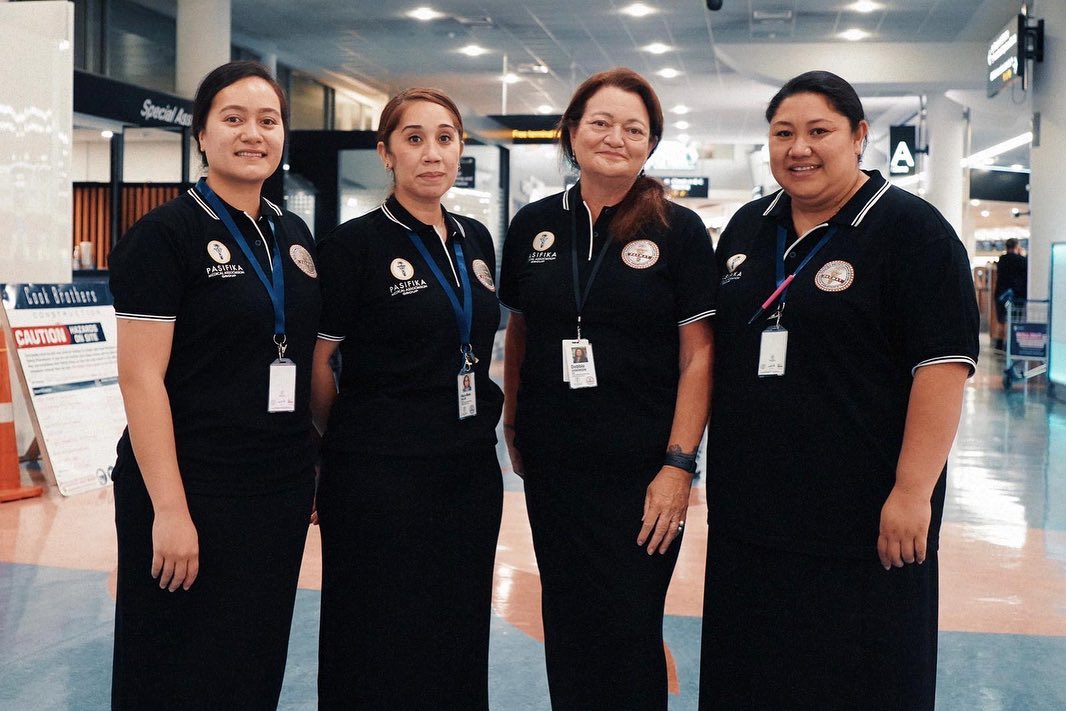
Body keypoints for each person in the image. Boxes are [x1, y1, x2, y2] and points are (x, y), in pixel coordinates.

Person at [699, 70, 979, 710]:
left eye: (818, 131)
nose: (799, 148)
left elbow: (940, 368)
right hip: (753, 517)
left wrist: (912, 492)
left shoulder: (912, 233)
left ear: (859, 136)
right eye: (783, 133)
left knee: (859, 683)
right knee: (753, 679)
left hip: (863, 521)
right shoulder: (748, 228)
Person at [499, 68, 716, 710]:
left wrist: (679, 465)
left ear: (650, 144)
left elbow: (699, 358)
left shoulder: (678, 231)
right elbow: (521, 329)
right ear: (571, 132)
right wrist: (513, 423)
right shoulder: (534, 225)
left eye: (633, 128)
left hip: (643, 473)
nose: (615, 138)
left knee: (628, 628)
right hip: (556, 465)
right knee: (565, 625)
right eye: (600, 122)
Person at [108, 61, 320, 709]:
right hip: (191, 486)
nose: (252, 133)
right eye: (233, 118)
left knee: (250, 666)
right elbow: (140, 377)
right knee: (173, 667)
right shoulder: (164, 235)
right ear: (201, 134)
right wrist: (170, 509)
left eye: (268, 120)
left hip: (274, 491)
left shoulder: (293, 235)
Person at [311, 88, 504, 710]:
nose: (431, 153)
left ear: (459, 150)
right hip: (379, 474)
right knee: (376, 634)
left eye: (445, 137)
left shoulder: (474, 240)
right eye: (414, 138)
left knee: (457, 627)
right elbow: (320, 365)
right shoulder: (352, 247)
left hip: (468, 468)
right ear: (385, 154)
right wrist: (342, 446)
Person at [994, 237, 1028, 350]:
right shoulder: (1022, 260)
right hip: (1016, 295)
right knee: (1015, 320)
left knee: (1001, 320)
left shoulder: (1002, 260)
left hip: (1001, 294)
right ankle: (1012, 345)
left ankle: (999, 343)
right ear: (1016, 246)